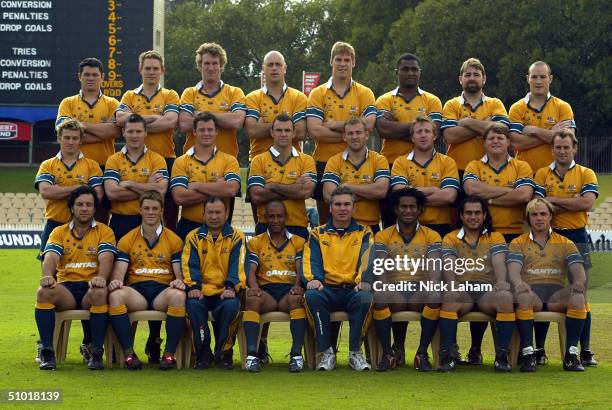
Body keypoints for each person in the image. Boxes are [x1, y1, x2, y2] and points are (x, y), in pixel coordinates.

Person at [533, 129, 598, 366]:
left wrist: (554, 202)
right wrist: (570, 203)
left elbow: (587, 203)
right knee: (543, 291)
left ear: (575, 149)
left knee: (579, 292)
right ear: (552, 150)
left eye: (566, 147)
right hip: (548, 238)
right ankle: (539, 349)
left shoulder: (586, 173)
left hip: (577, 236)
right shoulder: (541, 174)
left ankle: (585, 350)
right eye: (558, 147)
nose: (562, 151)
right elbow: (539, 206)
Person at [35, 185, 116, 370]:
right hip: (67, 290)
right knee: (43, 292)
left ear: (95, 208)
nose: (85, 208)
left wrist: (101, 277)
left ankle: (95, 352)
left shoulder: (105, 231)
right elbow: (51, 257)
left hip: (90, 287)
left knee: (99, 292)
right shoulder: (58, 232)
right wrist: (48, 276)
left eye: (89, 204)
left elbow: (107, 257)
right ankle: (47, 351)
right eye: (80, 204)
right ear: (71, 208)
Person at [107, 191, 186, 370]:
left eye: (155, 208)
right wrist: (116, 281)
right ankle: (129, 354)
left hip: (162, 291)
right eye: (147, 208)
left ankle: (168, 355)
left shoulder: (173, 239)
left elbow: (178, 273)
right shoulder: (127, 239)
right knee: (115, 296)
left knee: (179, 296)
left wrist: (179, 281)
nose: (151, 212)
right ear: (140, 210)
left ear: (162, 211)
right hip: (137, 292)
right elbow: (119, 270)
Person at [508, 198, 588, 372]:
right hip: (531, 293)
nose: (539, 218)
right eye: (534, 215)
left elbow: (578, 269)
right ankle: (529, 354)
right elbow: (513, 271)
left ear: (551, 216)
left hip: (555, 294)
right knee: (523, 297)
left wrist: (580, 283)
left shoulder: (565, 242)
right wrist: (518, 283)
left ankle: (571, 354)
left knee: (578, 298)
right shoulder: (518, 243)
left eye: (543, 214)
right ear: (528, 218)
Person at [437, 196, 514, 372]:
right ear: (461, 216)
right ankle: (447, 356)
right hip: (463, 288)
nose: (473, 217)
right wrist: (451, 284)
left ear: (484, 215)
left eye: (477, 213)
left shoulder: (495, 237)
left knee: (505, 298)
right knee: (449, 298)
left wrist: (501, 282)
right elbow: (448, 264)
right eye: (469, 213)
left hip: (486, 289)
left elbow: (499, 263)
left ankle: (502, 357)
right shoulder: (450, 237)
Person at [369, 188, 443, 372]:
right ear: (396, 209)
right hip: (396, 291)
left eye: (412, 207)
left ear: (420, 211)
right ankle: (388, 354)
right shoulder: (383, 235)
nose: (408, 211)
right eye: (403, 207)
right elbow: (380, 267)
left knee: (435, 295)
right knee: (379, 296)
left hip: (420, 290)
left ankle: (421, 353)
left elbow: (435, 268)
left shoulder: (432, 236)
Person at [302, 186, 373, 371]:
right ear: (330, 208)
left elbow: (367, 259)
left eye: (347, 204)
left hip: (352, 290)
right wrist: (313, 279)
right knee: (311, 296)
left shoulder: (364, 232)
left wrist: (362, 280)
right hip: (326, 289)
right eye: (338, 204)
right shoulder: (317, 233)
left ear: (354, 208)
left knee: (366, 296)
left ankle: (355, 353)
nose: (343, 208)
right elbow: (311, 260)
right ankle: (326, 353)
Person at [306, 41, 376, 224]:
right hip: (324, 160)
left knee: (357, 217)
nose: (342, 64)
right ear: (331, 62)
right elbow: (315, 130)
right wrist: (354, 134)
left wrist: (332, 124)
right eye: (338, 59)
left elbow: (368, 124)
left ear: (353, 63)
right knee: (325, 222)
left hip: (357, 162)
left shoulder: (365, 92)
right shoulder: (317, 93)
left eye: (347, 60)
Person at [116, 50, 180, 232]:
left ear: (162, 71)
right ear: (140, 70)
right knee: (139, 214)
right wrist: (153, 117)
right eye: (147, 68)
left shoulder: (170, 95)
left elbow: (170, 121)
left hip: (165, 159)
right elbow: (120, 119)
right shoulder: (129, 95)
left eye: (155, 68)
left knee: (169, 219)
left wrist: (136, 123)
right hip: (135, 160)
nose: (151, 72)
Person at [375, 53, 443, 228]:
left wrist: (396, 127)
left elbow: (433, 133)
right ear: (397, 71)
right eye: (405, 69)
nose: (410, 73)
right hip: (390, 165)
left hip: (425, 164)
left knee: (421, 216)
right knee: (392, 222)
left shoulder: (432, 100)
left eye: (414, 69)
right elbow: (383, 130)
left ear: (420, 72)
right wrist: (420, 128)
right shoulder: (384, 99)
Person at [242, 200, 307, 372]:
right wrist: (254, 287)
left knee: (297, 299)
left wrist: (299, 285)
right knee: (252, 300)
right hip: (267, 292)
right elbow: (251, 269)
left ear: (286, 217)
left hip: (288, 290)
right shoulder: (256, 242)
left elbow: (301, 268)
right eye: (271, 216)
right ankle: (252, 355)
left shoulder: (299, 241)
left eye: (279, 216)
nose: (276, 220)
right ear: (265, 218)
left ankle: (296, 355)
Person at [244, 50, 308, 224]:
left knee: (293, 220)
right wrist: (287, 126)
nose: (274, 68)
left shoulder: (298, 97)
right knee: (262, 222)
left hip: (292, 163)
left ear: (285, 68)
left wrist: (264, 124)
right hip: (259, 163)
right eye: (270, 65)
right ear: (263, 69)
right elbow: (251, 130)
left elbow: (301, 132)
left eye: (278, 64)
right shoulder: (252, 97)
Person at [182, 197, 246, 370]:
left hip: (226, 291)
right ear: (203, 215)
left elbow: (238, 264)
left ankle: (224, 353)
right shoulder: (193, 237)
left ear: (226, 214)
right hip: (201, 291)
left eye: (218, 212)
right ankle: (202, 353)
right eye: (210, 212)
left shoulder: (237, 236)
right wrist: (194, 286)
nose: (214, 216)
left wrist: (231, 286)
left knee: (231, 307)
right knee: (193, 306)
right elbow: (189, 265)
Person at [55, 57, 121, 223]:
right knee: (73, 214)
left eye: (94, 74)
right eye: (87, 75)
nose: (91, 78)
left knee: (101, 216)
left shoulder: (113, 103)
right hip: (75, 166)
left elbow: (114, 131)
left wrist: (80, 126)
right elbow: (63, 131)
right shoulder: (67, 103)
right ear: (79, 77)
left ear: (102, 77)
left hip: (105, 165)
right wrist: (101, 129)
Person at [36, 119, 103, 259]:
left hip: (84, 226)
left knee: (85, 270)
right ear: (59, 138)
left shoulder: (92, 166)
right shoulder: (47, 165)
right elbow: (46, 191)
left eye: (74, 138)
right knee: (49, 274)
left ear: (81, 140)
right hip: (55, 223)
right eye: (67, 137)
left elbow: (97, 195)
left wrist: (59, 191)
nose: (70, 142)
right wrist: (80, 188)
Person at [171, 112, 241, 239]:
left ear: (216, 132)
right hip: (188, 226)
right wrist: (217, 188)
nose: (206, 133)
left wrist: (196, 186)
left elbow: (231, 190)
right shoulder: (181, 161)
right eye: (202, 130)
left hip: (220, 228)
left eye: (210, 130)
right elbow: (179, 197)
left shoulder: (229, 160)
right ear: (194, 132)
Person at [248, 113, 316, 240]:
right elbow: (256, 196)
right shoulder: (258, 160)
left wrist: (272, 186)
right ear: (272, 132)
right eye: (279, 130)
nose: (283, 134)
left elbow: (306, 192)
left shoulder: (307, 160)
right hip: (265, 225)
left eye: (287, 130)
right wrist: (294, 187)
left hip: (297, 226)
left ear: (294, 133)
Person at [463, 123, 534, 243]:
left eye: (500, 138)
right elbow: (471, 190)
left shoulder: (522, 166)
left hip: (515, 233)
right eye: (491, 138)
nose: (495, 141)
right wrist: (509, 190)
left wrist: (488, 200)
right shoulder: (474, 166)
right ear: (484, 143)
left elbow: (524, 195)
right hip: (482, 232)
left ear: (508, 142)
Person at [390, 116, 459, 238]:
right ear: (412, 137)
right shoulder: (400, 162)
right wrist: (433, 191)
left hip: (440, 226)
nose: (423, 135)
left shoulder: (448, 162)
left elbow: (449, 196)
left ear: (434, 136)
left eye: (427, 131)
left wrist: (411, 198)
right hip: (408, 226)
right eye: (418, 132)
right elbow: (399, 192)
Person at [104, 114, 169, 241]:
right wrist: (148, 187)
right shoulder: (113, 160)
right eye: (130, 131)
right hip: (120, 221)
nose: (134, 135)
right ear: (123, 132)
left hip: (150, 221)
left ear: (145, 132)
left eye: (138, 131)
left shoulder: (157, 159)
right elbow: (112, 193)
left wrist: (129, 184)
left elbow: (160, 192)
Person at [441, 58, 509, 176]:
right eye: (467, 75)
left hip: (491, 170)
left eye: (476, 75)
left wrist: (467, 122)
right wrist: (486, 125)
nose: (472, 78)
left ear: (484, 79)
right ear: (460, 79)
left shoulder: (495, 103)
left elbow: (503, 130)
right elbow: (450, 136)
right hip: (457, 170)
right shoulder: (451, 104)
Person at [322, 117, 390, 233]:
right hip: (341, 227)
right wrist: (369, 193)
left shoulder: (379, 160)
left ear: (366, 135)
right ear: (344, 137)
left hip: (370, 226)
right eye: (350, 133)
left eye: (358, 132)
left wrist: (346, 188)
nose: (354, 137)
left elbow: (381, 191)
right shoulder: (333, 161)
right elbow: (329, 196)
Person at [509, 61, 576, 173]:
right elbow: (515, 143)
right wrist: (552, 134)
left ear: (550, 78)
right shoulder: (516, 108)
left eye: (543, 77)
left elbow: (568, 141)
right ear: (527, 78)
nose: (538, 81)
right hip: (524, 176)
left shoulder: (563, 107)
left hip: (556, 175)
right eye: (534, 77)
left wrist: (534, 130)